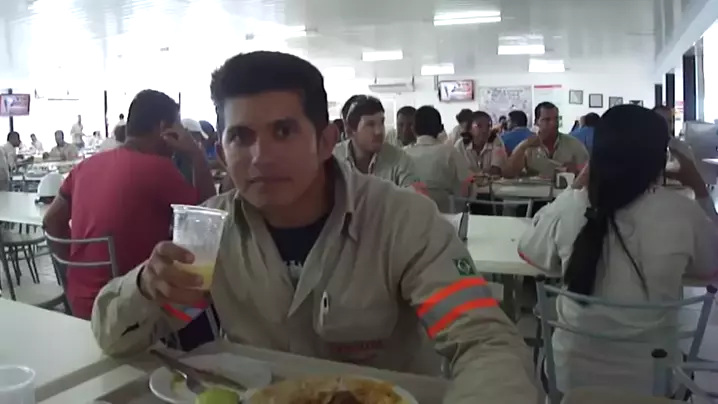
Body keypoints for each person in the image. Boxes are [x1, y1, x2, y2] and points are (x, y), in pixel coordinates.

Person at [90, 51, 538, 403]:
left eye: (283, 131)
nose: (260, 157)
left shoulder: (403, 222)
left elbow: (484, 343)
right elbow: (119, 337)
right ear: (222, 152)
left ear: (326, 141)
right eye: (241, 137)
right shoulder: (212, 231)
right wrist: (145, 287)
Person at [518, 104, 718, 396]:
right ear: (660, 158)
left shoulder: (571, 207)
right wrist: (699, 187)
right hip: (651, 383)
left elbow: (529, 249)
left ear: (596, 156)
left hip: (569, 379)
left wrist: (577, 186)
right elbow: (711, 262)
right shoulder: (682, 213)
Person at [43, 89, 216, 320]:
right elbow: (208, 220)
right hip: (129, 308)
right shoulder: (158, 168)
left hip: (78, 302)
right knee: (209, 297)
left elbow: (51, 221)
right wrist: (195, 152)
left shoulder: (85, 166)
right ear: (165, 128)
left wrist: (76, 269)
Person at [334, 95, 421, 188]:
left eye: (382, 122)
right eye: (370, 124)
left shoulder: (400, 160)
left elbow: (414, 195)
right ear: (350, 130)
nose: (379, 131)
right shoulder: (333, 159)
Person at [404, 106, 473, 212]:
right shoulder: (450, 153)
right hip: (445, 217)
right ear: (441, 128)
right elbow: (466, 190)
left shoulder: (402, 154)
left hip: (408, 216)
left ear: (413, 129)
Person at [504, 102, 588, 178]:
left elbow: (589, 174)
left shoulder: (574, 145)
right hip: (536, 190)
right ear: (536, 122)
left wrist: (576, 171)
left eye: (556, 119)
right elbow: (509, 174)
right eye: (547, 120)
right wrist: (521, 147)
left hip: (566, 189)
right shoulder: (528, 146)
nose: (553, 123)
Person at [455, 111, 507, 176]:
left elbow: (496, 171)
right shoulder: (461, 145)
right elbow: (458, 171)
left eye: (488, 126)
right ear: (470, 129)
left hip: (493, 181)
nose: (484, 130)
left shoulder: (496, 141)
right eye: (479, 126)